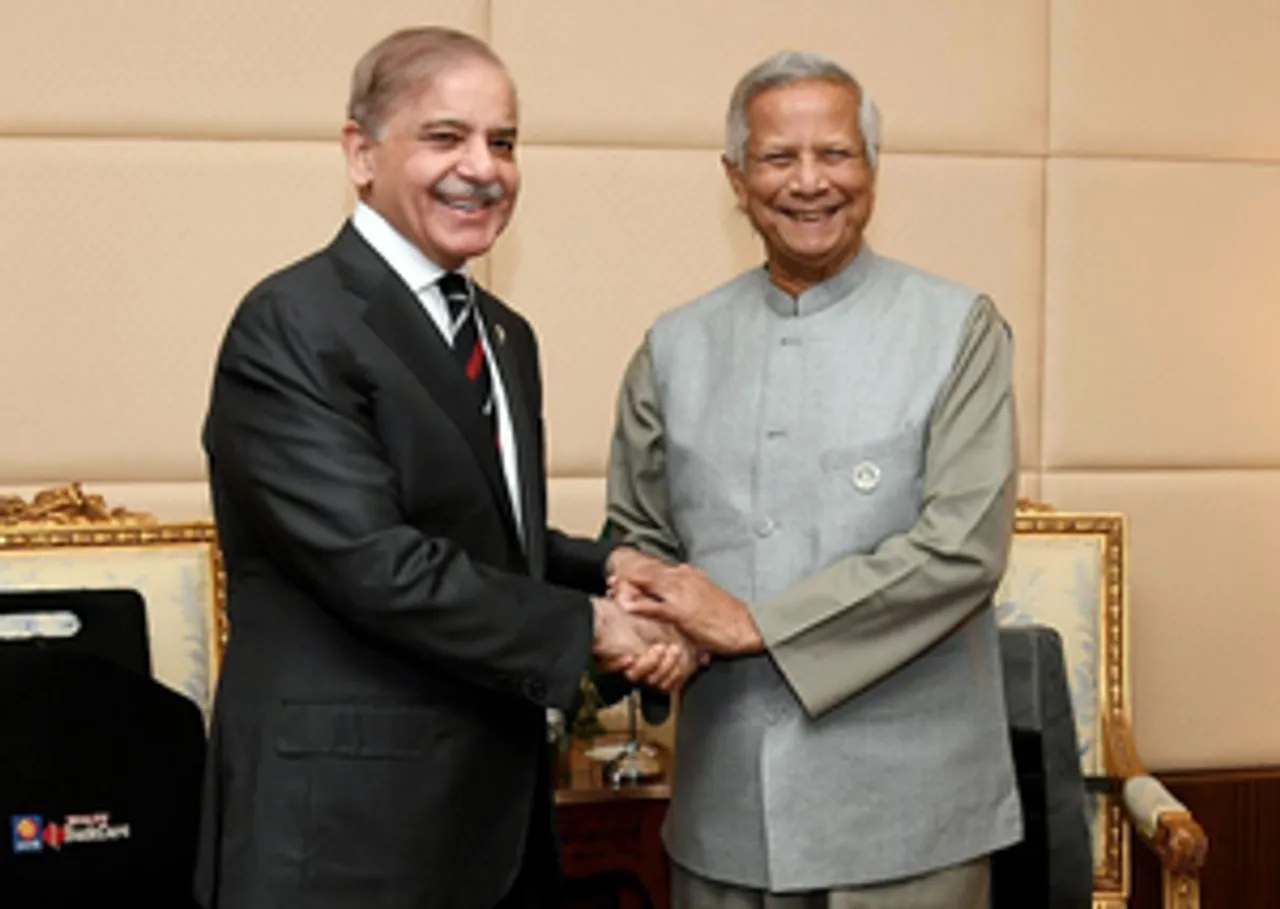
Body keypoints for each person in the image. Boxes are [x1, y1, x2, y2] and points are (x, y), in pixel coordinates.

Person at [195, 26, 693, 909]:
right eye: (444, 137)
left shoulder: (504, 334)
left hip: (488, 824)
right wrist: (595, 626)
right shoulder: (291, 323)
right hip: (345, 835)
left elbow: (470, 527)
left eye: (502, 141)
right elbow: (374, 563)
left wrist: (612, 568)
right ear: (361, 152)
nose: (483, 166)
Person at [606, 50, 1024, 908]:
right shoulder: (674, 346)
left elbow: (961, 552)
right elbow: (638, 537)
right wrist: (651, 623)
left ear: (872, 168)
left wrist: (754, 624)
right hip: (724, 817)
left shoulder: (957, 328)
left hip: (910, 828)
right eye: (777, 158)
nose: (809, 182)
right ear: (734, 175)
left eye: (835, 153)